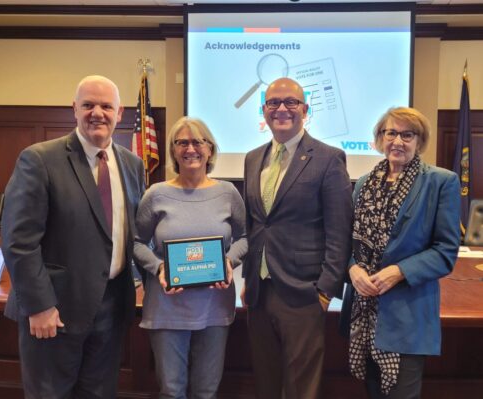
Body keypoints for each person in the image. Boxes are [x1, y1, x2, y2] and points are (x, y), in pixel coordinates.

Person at [1, 75, 146, 398]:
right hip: (55, 310)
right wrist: (39, 306)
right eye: (88, 105)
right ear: (74, 109)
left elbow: (132, 234)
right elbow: (18, 241)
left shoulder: (132, 165)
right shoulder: (40, 159)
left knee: (99, 393)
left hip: (112, 307)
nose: (98, 113)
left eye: (106, 106)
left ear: (119, 113)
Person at [242, 77, 353, 399]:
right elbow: (257, 223)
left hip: (304, 290)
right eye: (273, 102)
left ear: (305, 110)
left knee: (301, 385)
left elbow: (339, 230)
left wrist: (325, 290)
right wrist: (251, 275)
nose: (282, 109)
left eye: (291, 102)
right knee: (265, 378)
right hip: (259, 290)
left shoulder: (329, 157)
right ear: (264, 110)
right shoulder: (252, 158)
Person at [340, 107, 461, 398]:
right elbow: (347, 243)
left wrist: (399, 272)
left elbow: (445, 251)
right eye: (391, 132)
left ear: (419, 141)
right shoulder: (365, 183)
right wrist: (353, 268)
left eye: (407, 134)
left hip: (406, 315)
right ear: (380, 138)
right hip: (363, 313)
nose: (398, 141)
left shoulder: (441, 182)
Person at [134, 116, 247, 399]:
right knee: (172, 391)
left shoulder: (228, 193)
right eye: (181, 142)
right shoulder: (156, 194)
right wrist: (159, 267)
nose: (190, 149)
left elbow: (246, 237)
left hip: (214, 308)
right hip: (167, 307)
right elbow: (136, 243)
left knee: (206, 391)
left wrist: (228, 261)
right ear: (173, 151)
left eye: (198, 141)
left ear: (210, 149)